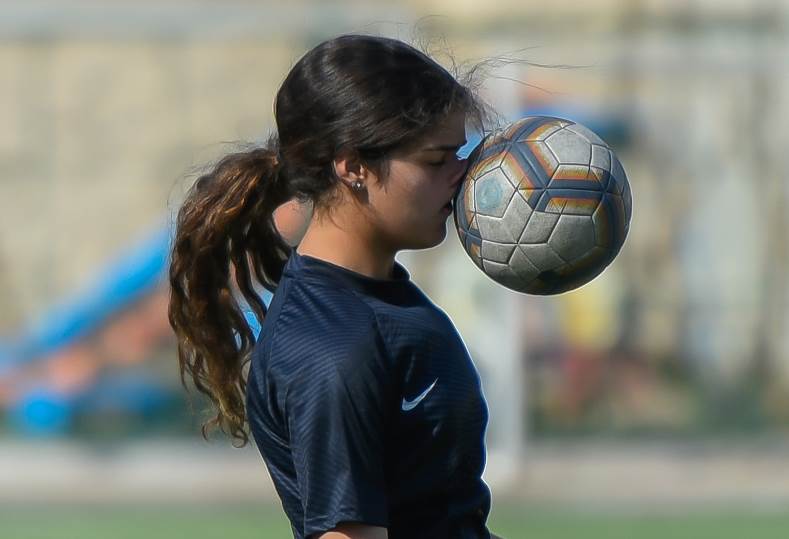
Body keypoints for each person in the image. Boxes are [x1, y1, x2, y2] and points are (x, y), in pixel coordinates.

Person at [168, 33, 504, 539]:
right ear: (354, 167)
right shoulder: (332, 348)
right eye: (436, 161)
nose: (461, 175)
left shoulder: (378, 298)